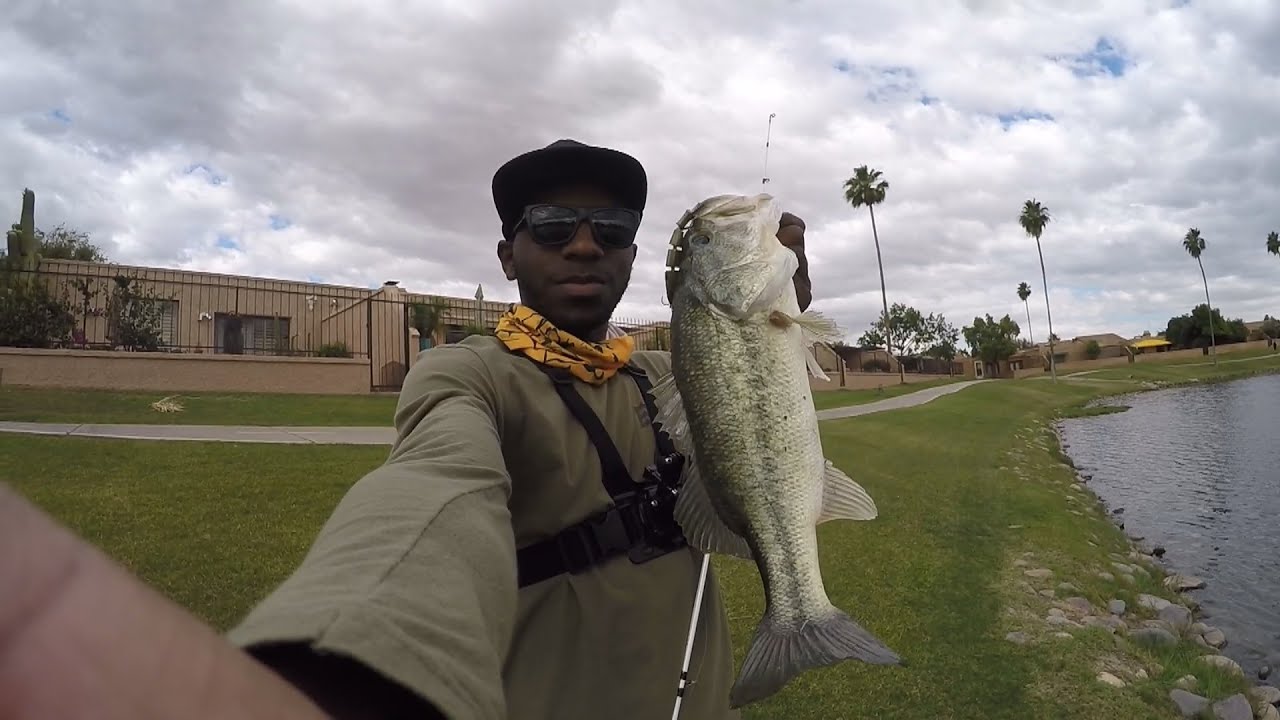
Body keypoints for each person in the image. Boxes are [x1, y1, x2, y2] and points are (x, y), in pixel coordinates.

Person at [0, 139, 813, 720]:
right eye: (550, 224)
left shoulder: (668, 375)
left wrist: (780, 305)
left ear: (633, 257)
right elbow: (433, 491)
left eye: (610, 230)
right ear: (508, 254)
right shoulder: (468, 376)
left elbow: (761, 403)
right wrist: (352, 665)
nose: (581, 245)